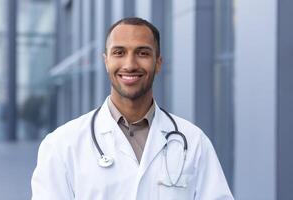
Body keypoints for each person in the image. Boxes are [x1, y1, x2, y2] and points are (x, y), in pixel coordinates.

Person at [31, 17, 234, 200]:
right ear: (106, 61)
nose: (130, 64)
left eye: (142, 53)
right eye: (119, 52)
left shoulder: (194, 142)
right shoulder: (62, 144)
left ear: (158, 63)